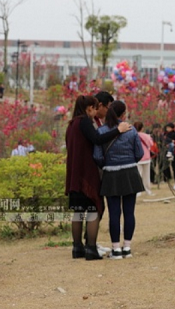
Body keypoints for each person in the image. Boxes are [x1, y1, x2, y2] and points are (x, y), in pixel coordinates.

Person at [65, 95, 130, 260]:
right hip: (86, 173)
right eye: (93, 108)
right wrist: (118, 131)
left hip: (74, 175)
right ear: (88, 108)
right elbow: (97, 139)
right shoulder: (84, 121)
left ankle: (77, 247)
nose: (95, 112)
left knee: (78, 212)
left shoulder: (71, 125)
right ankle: (91, 248)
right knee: (94, 208)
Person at [94, 101, 144, 259]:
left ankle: (115, 249)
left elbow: (97, 156)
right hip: (130, 172)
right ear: (124, 114)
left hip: (111, 174)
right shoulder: (131, 129)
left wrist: (106, 164)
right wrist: (130, 161)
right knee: (130, 212)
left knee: (114, 213)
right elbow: (139, 152)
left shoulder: (101, 131)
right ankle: (127, 247)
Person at [133, 121, 155, 196]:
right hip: (146, 157)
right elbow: (151, 144)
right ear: (142, 128)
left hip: (137, 158)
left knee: (138, 175)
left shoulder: (133, 135)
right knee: (146, 175)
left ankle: (137, 191)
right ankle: (148, 190)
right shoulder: (147, 136)